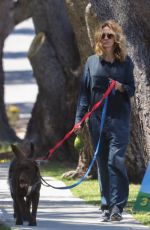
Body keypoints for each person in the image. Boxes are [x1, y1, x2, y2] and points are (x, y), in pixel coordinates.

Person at [75, 20, 135, 222]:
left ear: (116, 38)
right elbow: (84, 93)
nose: (106, 38)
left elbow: (132, 89)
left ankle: (118, 207)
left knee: (115, 160)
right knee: (101, 162)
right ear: (99, 39)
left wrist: (120, 86)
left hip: (119, 119)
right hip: (96, 120)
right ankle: (105, 206)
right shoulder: (92, 62)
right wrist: (79, 119)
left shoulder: (126, 63)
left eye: (110, 35)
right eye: (103, 35)